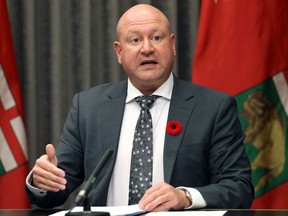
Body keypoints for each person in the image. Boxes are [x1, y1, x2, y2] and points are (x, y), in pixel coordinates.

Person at [26, 4, 254, 211]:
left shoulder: (213, 108)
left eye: (156, 37)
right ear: (119, 52)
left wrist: (185, 196)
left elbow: (239, 187)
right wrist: (42, 181)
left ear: (172, 45)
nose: (147, 48)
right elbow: (54, 191)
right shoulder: (88, 107)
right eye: (135, 40)